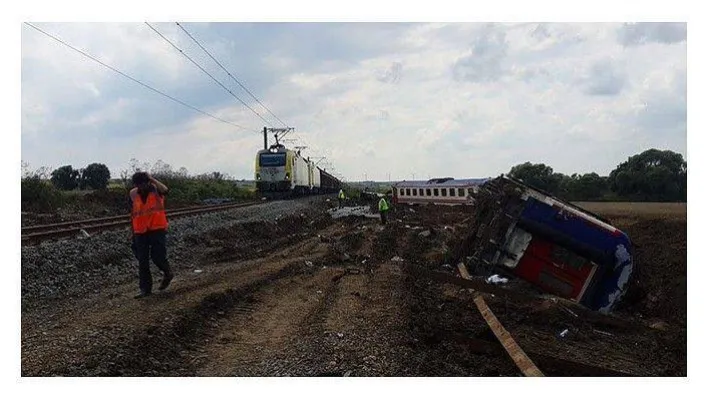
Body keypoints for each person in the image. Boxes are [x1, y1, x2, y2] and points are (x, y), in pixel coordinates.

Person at [129, 172, 173, 299]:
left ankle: (168, 272)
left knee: (158, 257)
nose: (141, 187)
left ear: (148, 182)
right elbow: (132, 214)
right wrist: (132, 233)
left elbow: (165, 190)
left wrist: (152, 179)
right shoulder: (132, 194)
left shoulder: (156, 190)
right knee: (143, 261)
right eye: (138, 185)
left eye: (143, 183)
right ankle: (145, 289)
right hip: (140, 231)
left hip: (157, 229)